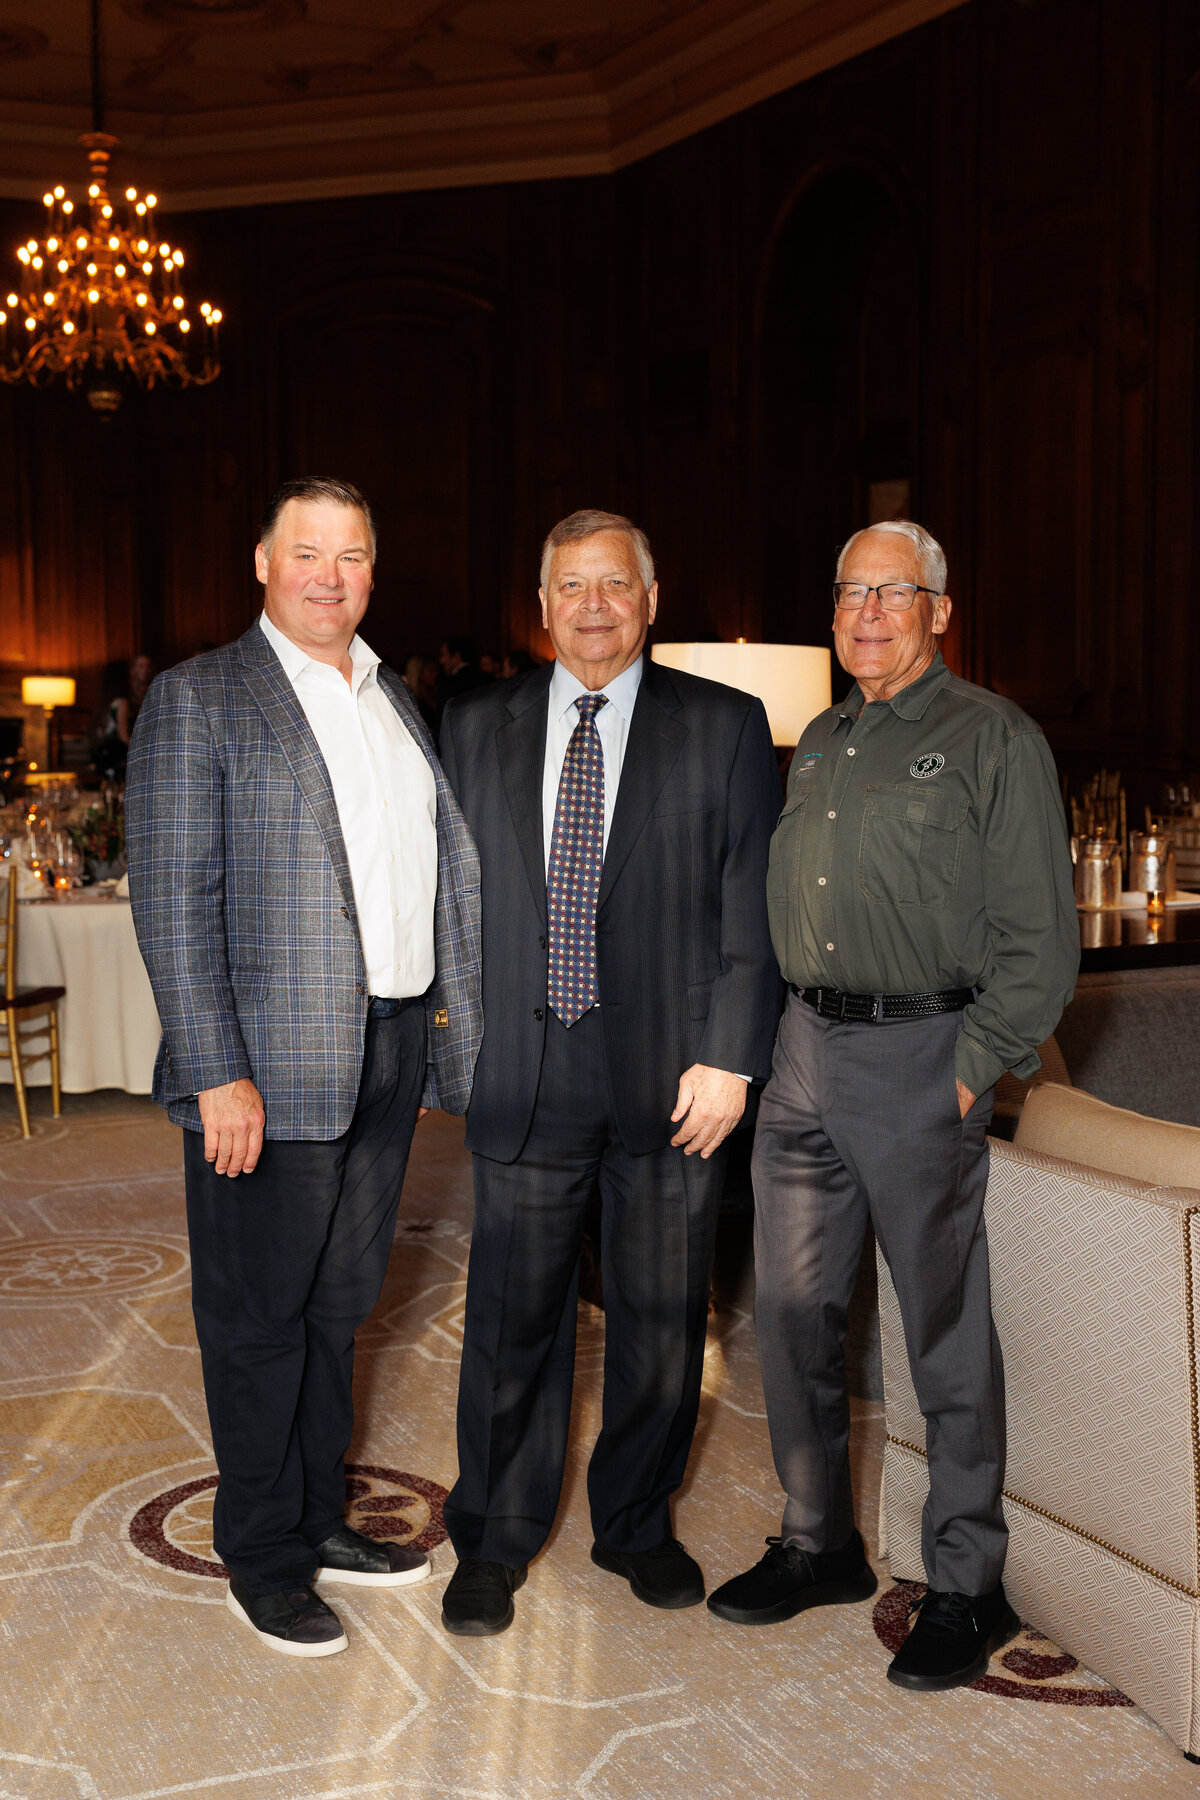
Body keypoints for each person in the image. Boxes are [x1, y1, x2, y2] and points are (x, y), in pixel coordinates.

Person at [707, 520, 1078, 1690]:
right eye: (849, 592)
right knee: (793, 1313)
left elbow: (1039, 946)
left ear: (938, 611)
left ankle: (969, 1583)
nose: (867, 612)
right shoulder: (819, 739)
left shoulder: (993, 739)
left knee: (941, 1333)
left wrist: (971, 1066)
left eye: (893, 592)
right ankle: (818, 1542)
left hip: (923, 1054)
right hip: (805, 1048)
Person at [125, 477, 482, 1660]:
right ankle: (264, 1552)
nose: (333, 575)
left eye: (355, 555)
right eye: (309, 553)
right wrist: (215, 1069)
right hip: (266, 1070)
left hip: (387, 1047)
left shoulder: (394, 700)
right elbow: (177, 906)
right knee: (257, 1314)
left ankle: (317, 1516)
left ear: (374, 570)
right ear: (264, 565)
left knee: (339, 1308)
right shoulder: (201, 698)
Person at [437, 508, 781, 1635]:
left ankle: (635, 1523)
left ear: (651, 598)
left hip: (675, 1080)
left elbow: (751, 904)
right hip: (525, 1071)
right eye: (570, 585)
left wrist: (733, 1055)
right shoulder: (474, 721)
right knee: (511, 1322)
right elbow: (443, 900)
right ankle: (491, 1536)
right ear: (540, 607)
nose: (594, 605)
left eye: (615, 584)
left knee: (662, 1320)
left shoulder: (726, 725)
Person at [95, 653, 153, 778]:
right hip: (119, 755)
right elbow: (123, 736)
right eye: (139, 667)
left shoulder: (108, 701)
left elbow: (100, 733)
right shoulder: (123, 702)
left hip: (107, 754)